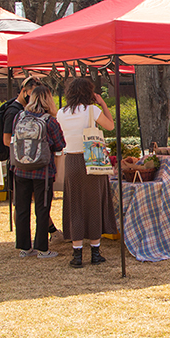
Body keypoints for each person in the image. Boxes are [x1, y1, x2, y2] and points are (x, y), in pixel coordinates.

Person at [56, 77, 117, 268]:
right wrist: (103, 103)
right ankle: (95, 251)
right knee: (94, 204)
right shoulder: (92, 110)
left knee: (75, 205)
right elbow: (110, 125)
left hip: (72, 160)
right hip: (92, 159)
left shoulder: (61, 113)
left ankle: (77, 254)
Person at [12, 84, 65, 258]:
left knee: (22, 208)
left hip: (20, 169)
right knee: (42, 209)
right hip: (43, 171)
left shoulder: (19, 117)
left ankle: (24, 247)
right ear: (48, 100)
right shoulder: (49, 121)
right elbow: (59, 145)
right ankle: (42, 248)